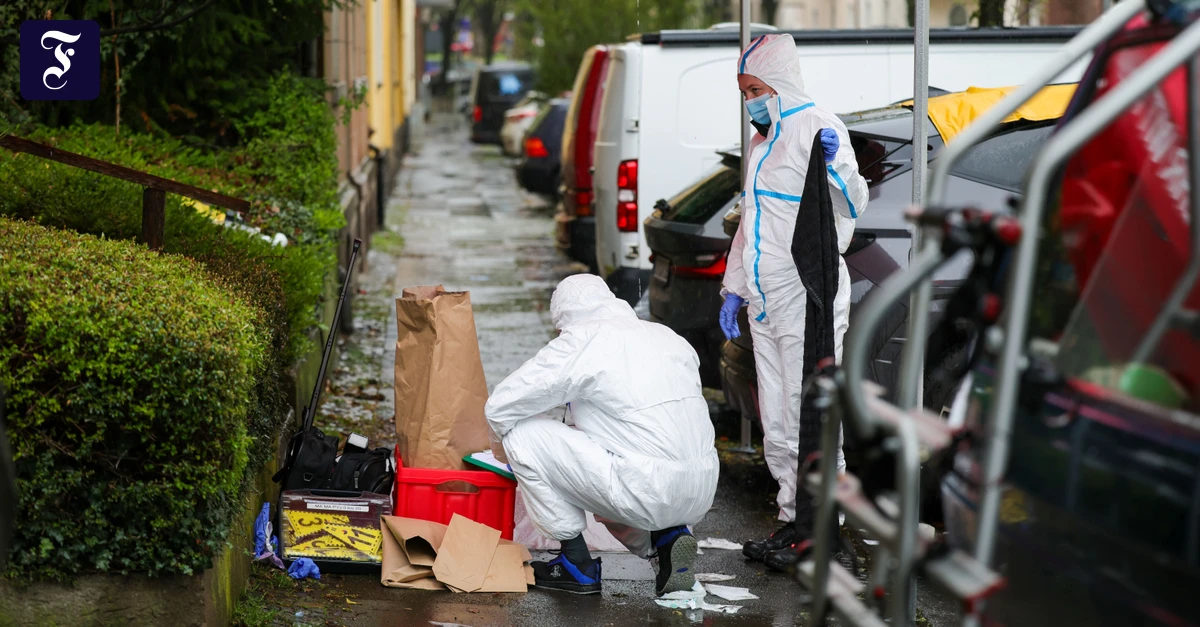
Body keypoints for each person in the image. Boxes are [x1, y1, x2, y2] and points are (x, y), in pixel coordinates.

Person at [718, 33, 868, 572]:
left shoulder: (820, 128)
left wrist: (834, 167)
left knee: (813, 416)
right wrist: (734, 287)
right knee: (777, 420)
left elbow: (855, 202)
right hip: (765, 298)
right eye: (744, 92)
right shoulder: (762, 144)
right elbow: (751, 224)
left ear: (779, 84)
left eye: (755, 89)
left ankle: (826, 529)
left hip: (809, 295)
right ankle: (793, 519)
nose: (750, 101)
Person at [485, 274, 720, 596]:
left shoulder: (583, 339)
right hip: (701, 487)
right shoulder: (667, 336)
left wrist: (505, 455)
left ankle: (574, 563)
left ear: (564, 319)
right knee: (624, 451)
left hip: (644, 487)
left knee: (522, 434)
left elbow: (501, 406)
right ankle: (666, 540)